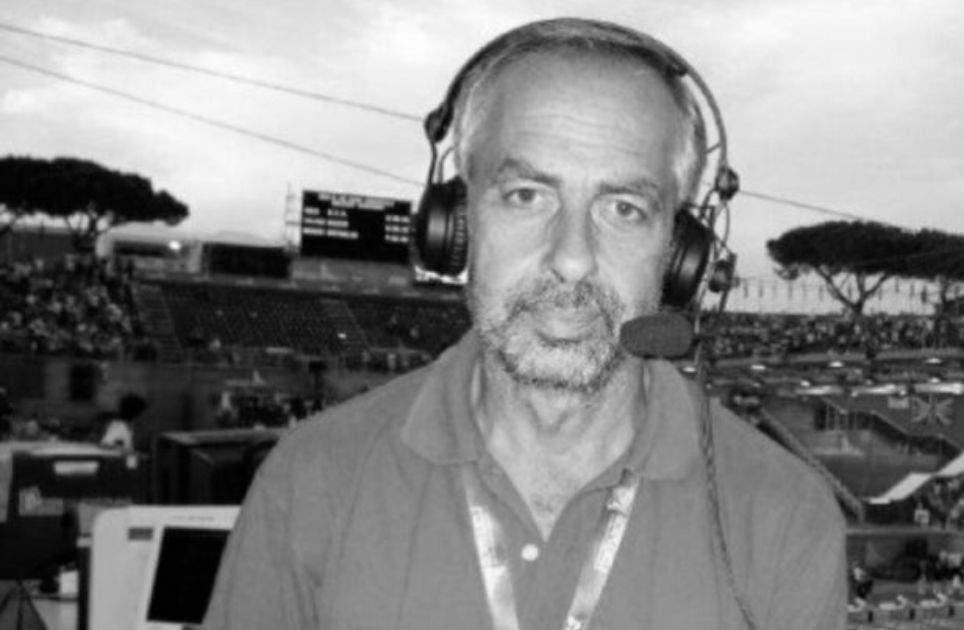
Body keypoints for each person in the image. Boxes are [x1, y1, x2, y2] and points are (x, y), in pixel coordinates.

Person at [203, 18, 845, 630]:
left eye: (623, 208)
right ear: (455, 225)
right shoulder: (310, 479)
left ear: (680, 256)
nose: (572, 258)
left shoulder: (785, 516)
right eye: (527, 196)